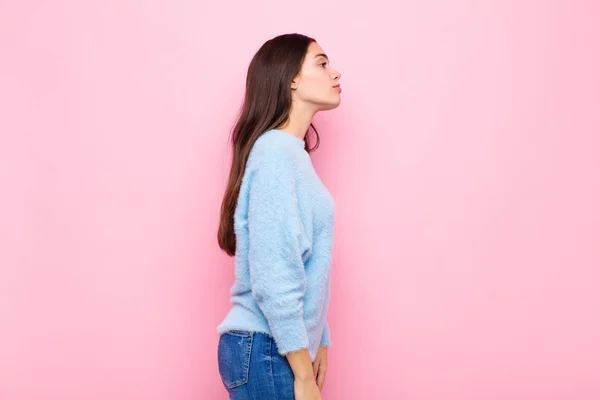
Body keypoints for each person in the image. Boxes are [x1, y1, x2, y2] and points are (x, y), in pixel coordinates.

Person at [215, 33, 342, 400]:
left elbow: (307, 261)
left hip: (277, 346)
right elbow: (273, 275)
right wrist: (302, 374)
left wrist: (321, 338)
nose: (335, 73)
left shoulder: (291, 154)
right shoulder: (274, 154)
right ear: (291, 79)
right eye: (321, 63)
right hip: (269, 347)